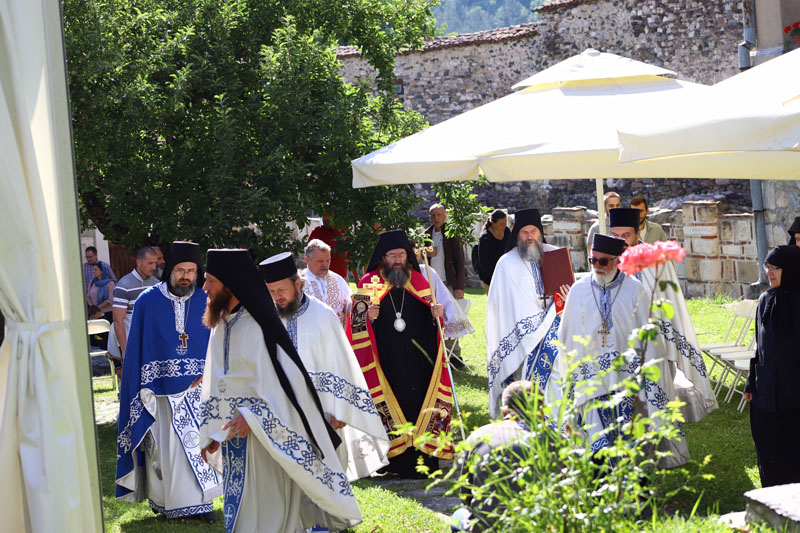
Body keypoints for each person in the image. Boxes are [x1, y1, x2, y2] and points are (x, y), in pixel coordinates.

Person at [198, 248, 361, 532]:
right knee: (242, 510)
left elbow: (286, 386)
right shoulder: (222, 324)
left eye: (210, 279)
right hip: (234, 438)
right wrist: (212, 431)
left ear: (230, 283)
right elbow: (217, 383)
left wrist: (251, 416)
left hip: (267, 440)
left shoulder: (262, 327)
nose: (204, 287)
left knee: (268, 513)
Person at [552, 234, 688, 467]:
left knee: (628, 446)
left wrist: (646, 385)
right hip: (590, 382)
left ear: (618, 261)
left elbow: (650, 340)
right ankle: (600, 488)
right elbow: (566, 336)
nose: (596, 266)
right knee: (597, 448)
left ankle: (631, 493)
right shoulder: (578, 290)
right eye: (592, 260)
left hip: (626, 384)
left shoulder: (635, 291)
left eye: (603, 261)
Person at [260, 252, 390, 481]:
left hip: (323, 409)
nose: (277, 297)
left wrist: (341, 409)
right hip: (283, 409)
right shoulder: (266, 318)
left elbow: (341, 364)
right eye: (271, 292)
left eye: (281, 290)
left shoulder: (323, 316)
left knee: (328, 474)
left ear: (297, 284)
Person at [115, 242, 221, 520]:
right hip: (159, 390)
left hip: (199, 389)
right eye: (180, 270)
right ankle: (170, 504)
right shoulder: (147, 301)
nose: (186, 276)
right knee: (168, 450)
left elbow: (215, 343)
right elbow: (139, 346)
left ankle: (202, 505)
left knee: (199, 444)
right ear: (169, 270)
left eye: (191, 271)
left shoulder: (205, 300)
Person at [347, 229, 453, 477]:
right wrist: (367, 318)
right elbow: (356, 329)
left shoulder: (419, 281)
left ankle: (425, 460)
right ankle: (389, 462)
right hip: (385, 362)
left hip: (418, 363)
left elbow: (434, 328)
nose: (397, 260)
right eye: (392, 255)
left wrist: (434, 315)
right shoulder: (368, 283)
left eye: (402, 254)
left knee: (420, 405)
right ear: (382, 258)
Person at [609, 208, 717, 422]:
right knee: (623, 406)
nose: (620, 241)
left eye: (626, 235)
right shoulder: (604, 260)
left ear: (637, 233)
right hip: (618, 343)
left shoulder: (655, 259)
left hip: (654, 342)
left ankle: (666, 453)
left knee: (657, 403)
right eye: (615, 235)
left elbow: (669, 301)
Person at [485, 208, 568, 418]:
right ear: (517, 234)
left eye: (533, 231)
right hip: (524, 345)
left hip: (556, 339)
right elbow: (502, 308)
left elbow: (569, 297)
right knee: (529, 389)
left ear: (540, 232)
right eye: (524, 232)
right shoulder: (506, 264)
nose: (530, 236)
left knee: (558, 386)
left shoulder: (555, 254)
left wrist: (568, 298)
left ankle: (557, 428)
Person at [456, 381, 555, 532]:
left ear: (504, 411)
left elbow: (465, 495)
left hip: (489, 528)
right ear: (541, 412)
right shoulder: (558, 441)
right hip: (543, 527)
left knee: (459, 515)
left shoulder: (478, 437)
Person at [744, 245, 800, 487]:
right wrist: (750, 381)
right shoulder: (765, 299)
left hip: (794, 396)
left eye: (775, 268)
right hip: (765, 394)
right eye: (767, 267)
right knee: (768, 454)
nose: (769, 273)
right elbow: (760, 347)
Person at [111, 246, 159, 361]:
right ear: (138, 262)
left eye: (155, 263)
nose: (154, 267)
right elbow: (118, 321)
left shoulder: (157, 284)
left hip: (154, 345)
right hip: (133, 346)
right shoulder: (124, 285)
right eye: (150, 263)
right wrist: (125, 350)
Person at [301, 239, 352, 327]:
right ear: (307, 260)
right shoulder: (299, 283)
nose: (325, 265)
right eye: (320, 261)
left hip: (337, 336)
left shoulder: (338, 280)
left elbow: (349, 305)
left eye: (328, 260)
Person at [425, 204, 465, 299]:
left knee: (450, 312)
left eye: (439, 215)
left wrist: (460, 287)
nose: (436, 218)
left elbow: (460, 260)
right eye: (433, 215)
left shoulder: (452, 234)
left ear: (445, 216)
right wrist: (427, 253)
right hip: (431, 281)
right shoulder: (426, 234)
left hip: (448, 281)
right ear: (430, 218)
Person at [477, 209, 510, 292]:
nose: (504, 226)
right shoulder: (485, 238)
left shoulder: (507, 232)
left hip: (506, 276)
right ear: (493, 223)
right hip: (490, 279)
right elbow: (484, 263)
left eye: (505, 223)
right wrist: (496, 278)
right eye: (501, 224)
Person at [308, 213, 349, 279]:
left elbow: (349, 255)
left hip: (341, 277)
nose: (326, 218)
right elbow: (309, 254)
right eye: (324, 215)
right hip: (321, 277)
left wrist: (356, 277)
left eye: (329, 215)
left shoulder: (343, 231)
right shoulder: (316, 232)